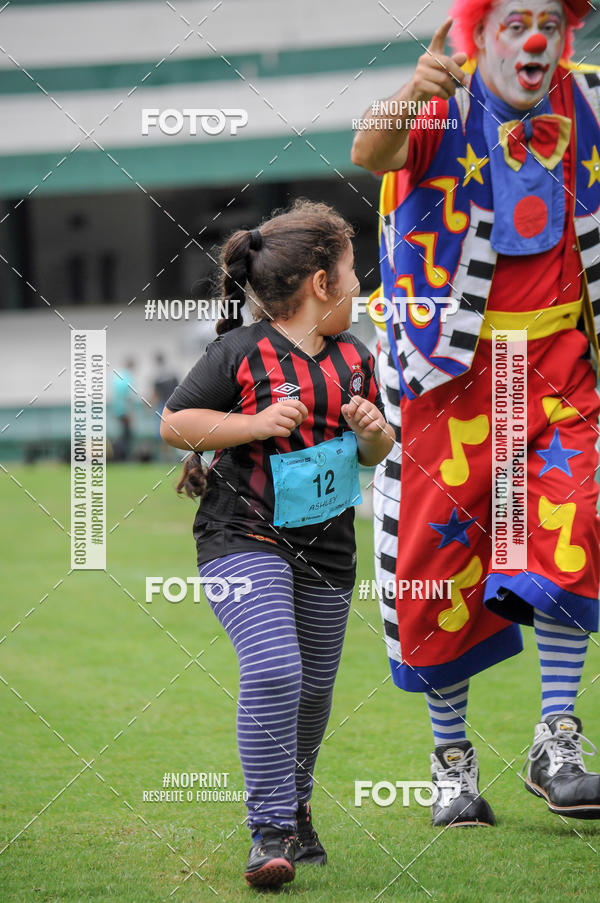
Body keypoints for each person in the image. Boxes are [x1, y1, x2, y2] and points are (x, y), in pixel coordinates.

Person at [352, 0, 600, 827]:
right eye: (515, 19)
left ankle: (556, 737)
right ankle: (452, 762)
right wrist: (407, 95)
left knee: (579, 521)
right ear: (479, 32)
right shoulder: (442, 102)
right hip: (448, 374)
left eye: (551, 22)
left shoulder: (589, 100)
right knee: (433, 570)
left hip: (561, 366)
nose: (536, 39)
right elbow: (369, 151)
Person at [160, 199, 394, 888]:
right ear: (321, 285)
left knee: (316, 689)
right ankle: (269, 831)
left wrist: (374, 429)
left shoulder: (356, 357)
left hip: (327, 549)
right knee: (274, 668)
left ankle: (296, 806)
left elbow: (376, 452)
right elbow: (177, 422)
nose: (360, 287)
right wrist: (256, 424)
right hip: (242, 535)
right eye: (353, 272)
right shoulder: (239, 351)